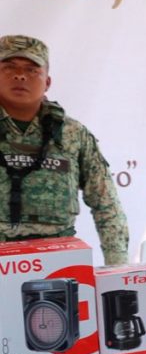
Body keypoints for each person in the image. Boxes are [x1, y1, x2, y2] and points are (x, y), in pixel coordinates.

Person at [0, 35, 128, 265]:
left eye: (31, 70)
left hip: (58, 261)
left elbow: (106, 205)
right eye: (9, 67)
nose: (20, 76)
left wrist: (117, 264)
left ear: (47, 82)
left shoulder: (73, 134)